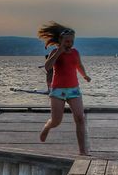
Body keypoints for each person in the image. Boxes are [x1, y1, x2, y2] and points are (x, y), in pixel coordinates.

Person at [37, 22, 91, 155]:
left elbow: (79, 65)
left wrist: (85, 75)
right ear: (60, 41)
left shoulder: (75, 52)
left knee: (80, 118)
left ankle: (82, 151)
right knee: (57, 120)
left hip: (73, 89)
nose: (69, 44)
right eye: (67, 41)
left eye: (72, 41)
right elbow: (48, 67)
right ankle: (47, 127)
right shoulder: (55, 52)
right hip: (58, 90)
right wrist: (59, 52)